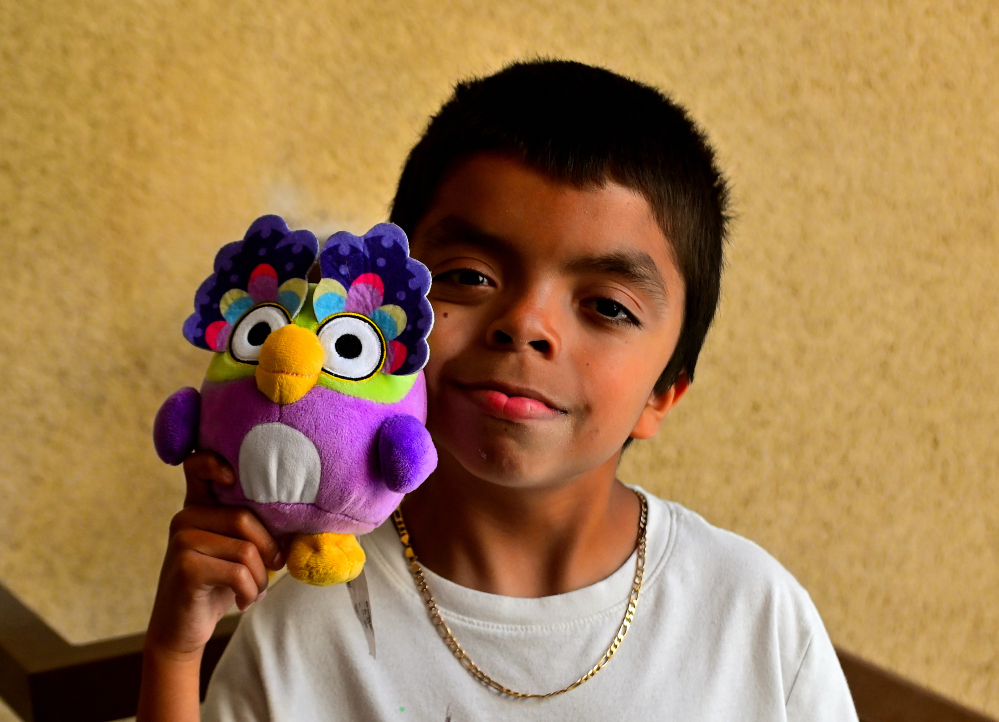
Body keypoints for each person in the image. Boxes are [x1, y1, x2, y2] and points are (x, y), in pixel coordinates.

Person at [138, 59, 859, 721]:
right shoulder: (303, 617)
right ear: (382, 311)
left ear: (662, 395)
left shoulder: (752, 620)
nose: (524, 324)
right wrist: (175, 652)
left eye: (607, 307)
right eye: (468, 277)